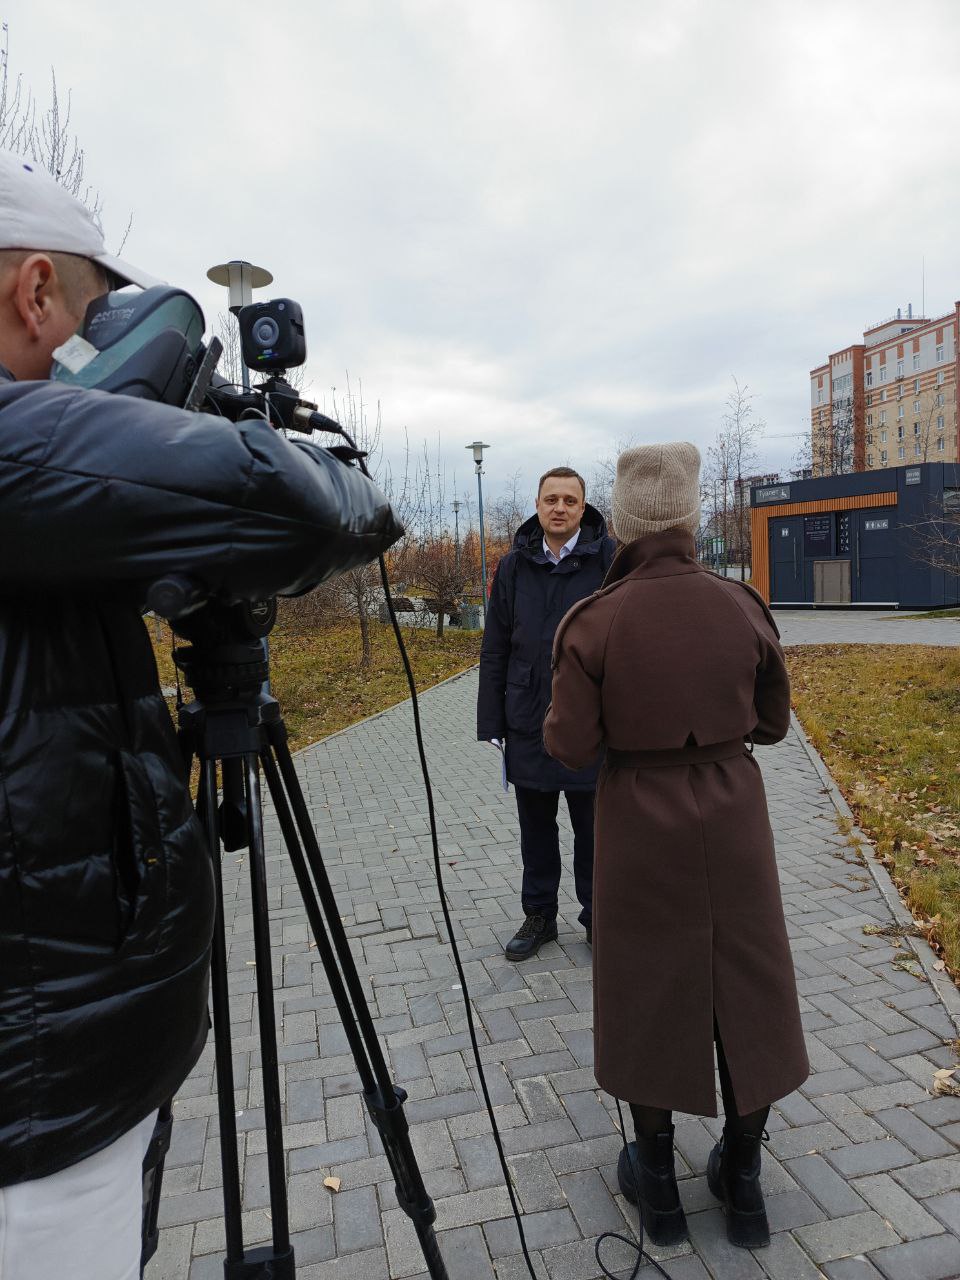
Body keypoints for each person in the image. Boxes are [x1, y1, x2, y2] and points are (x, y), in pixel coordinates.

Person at [0, 152, 402, 1280]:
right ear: (36, 294)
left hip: (66, 1086)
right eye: (88, 314)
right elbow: (273, 497)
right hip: (41, 1134)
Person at [544, 443, 809, 1249]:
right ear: (692, 515)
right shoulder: (742, 605)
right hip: (733, 816)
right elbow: (770, 723)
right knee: (749, 983)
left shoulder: (594, 619)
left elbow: (569, 746)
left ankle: (657, 1189)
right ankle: (745, 1182)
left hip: (637, 821)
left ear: (620, 519)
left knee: (646, 985)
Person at [477, 467, 616, 959]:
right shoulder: (514, 565)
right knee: (536, 828)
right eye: (551, 499)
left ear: (584, 507)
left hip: (589, 722)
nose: (559, 508)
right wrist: (490, 721)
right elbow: (495, 645)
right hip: (528, 716)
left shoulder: (609, 561)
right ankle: (539, 916)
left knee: (593, 829)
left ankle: (599, 917)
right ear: (537, 505)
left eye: (570, 500)